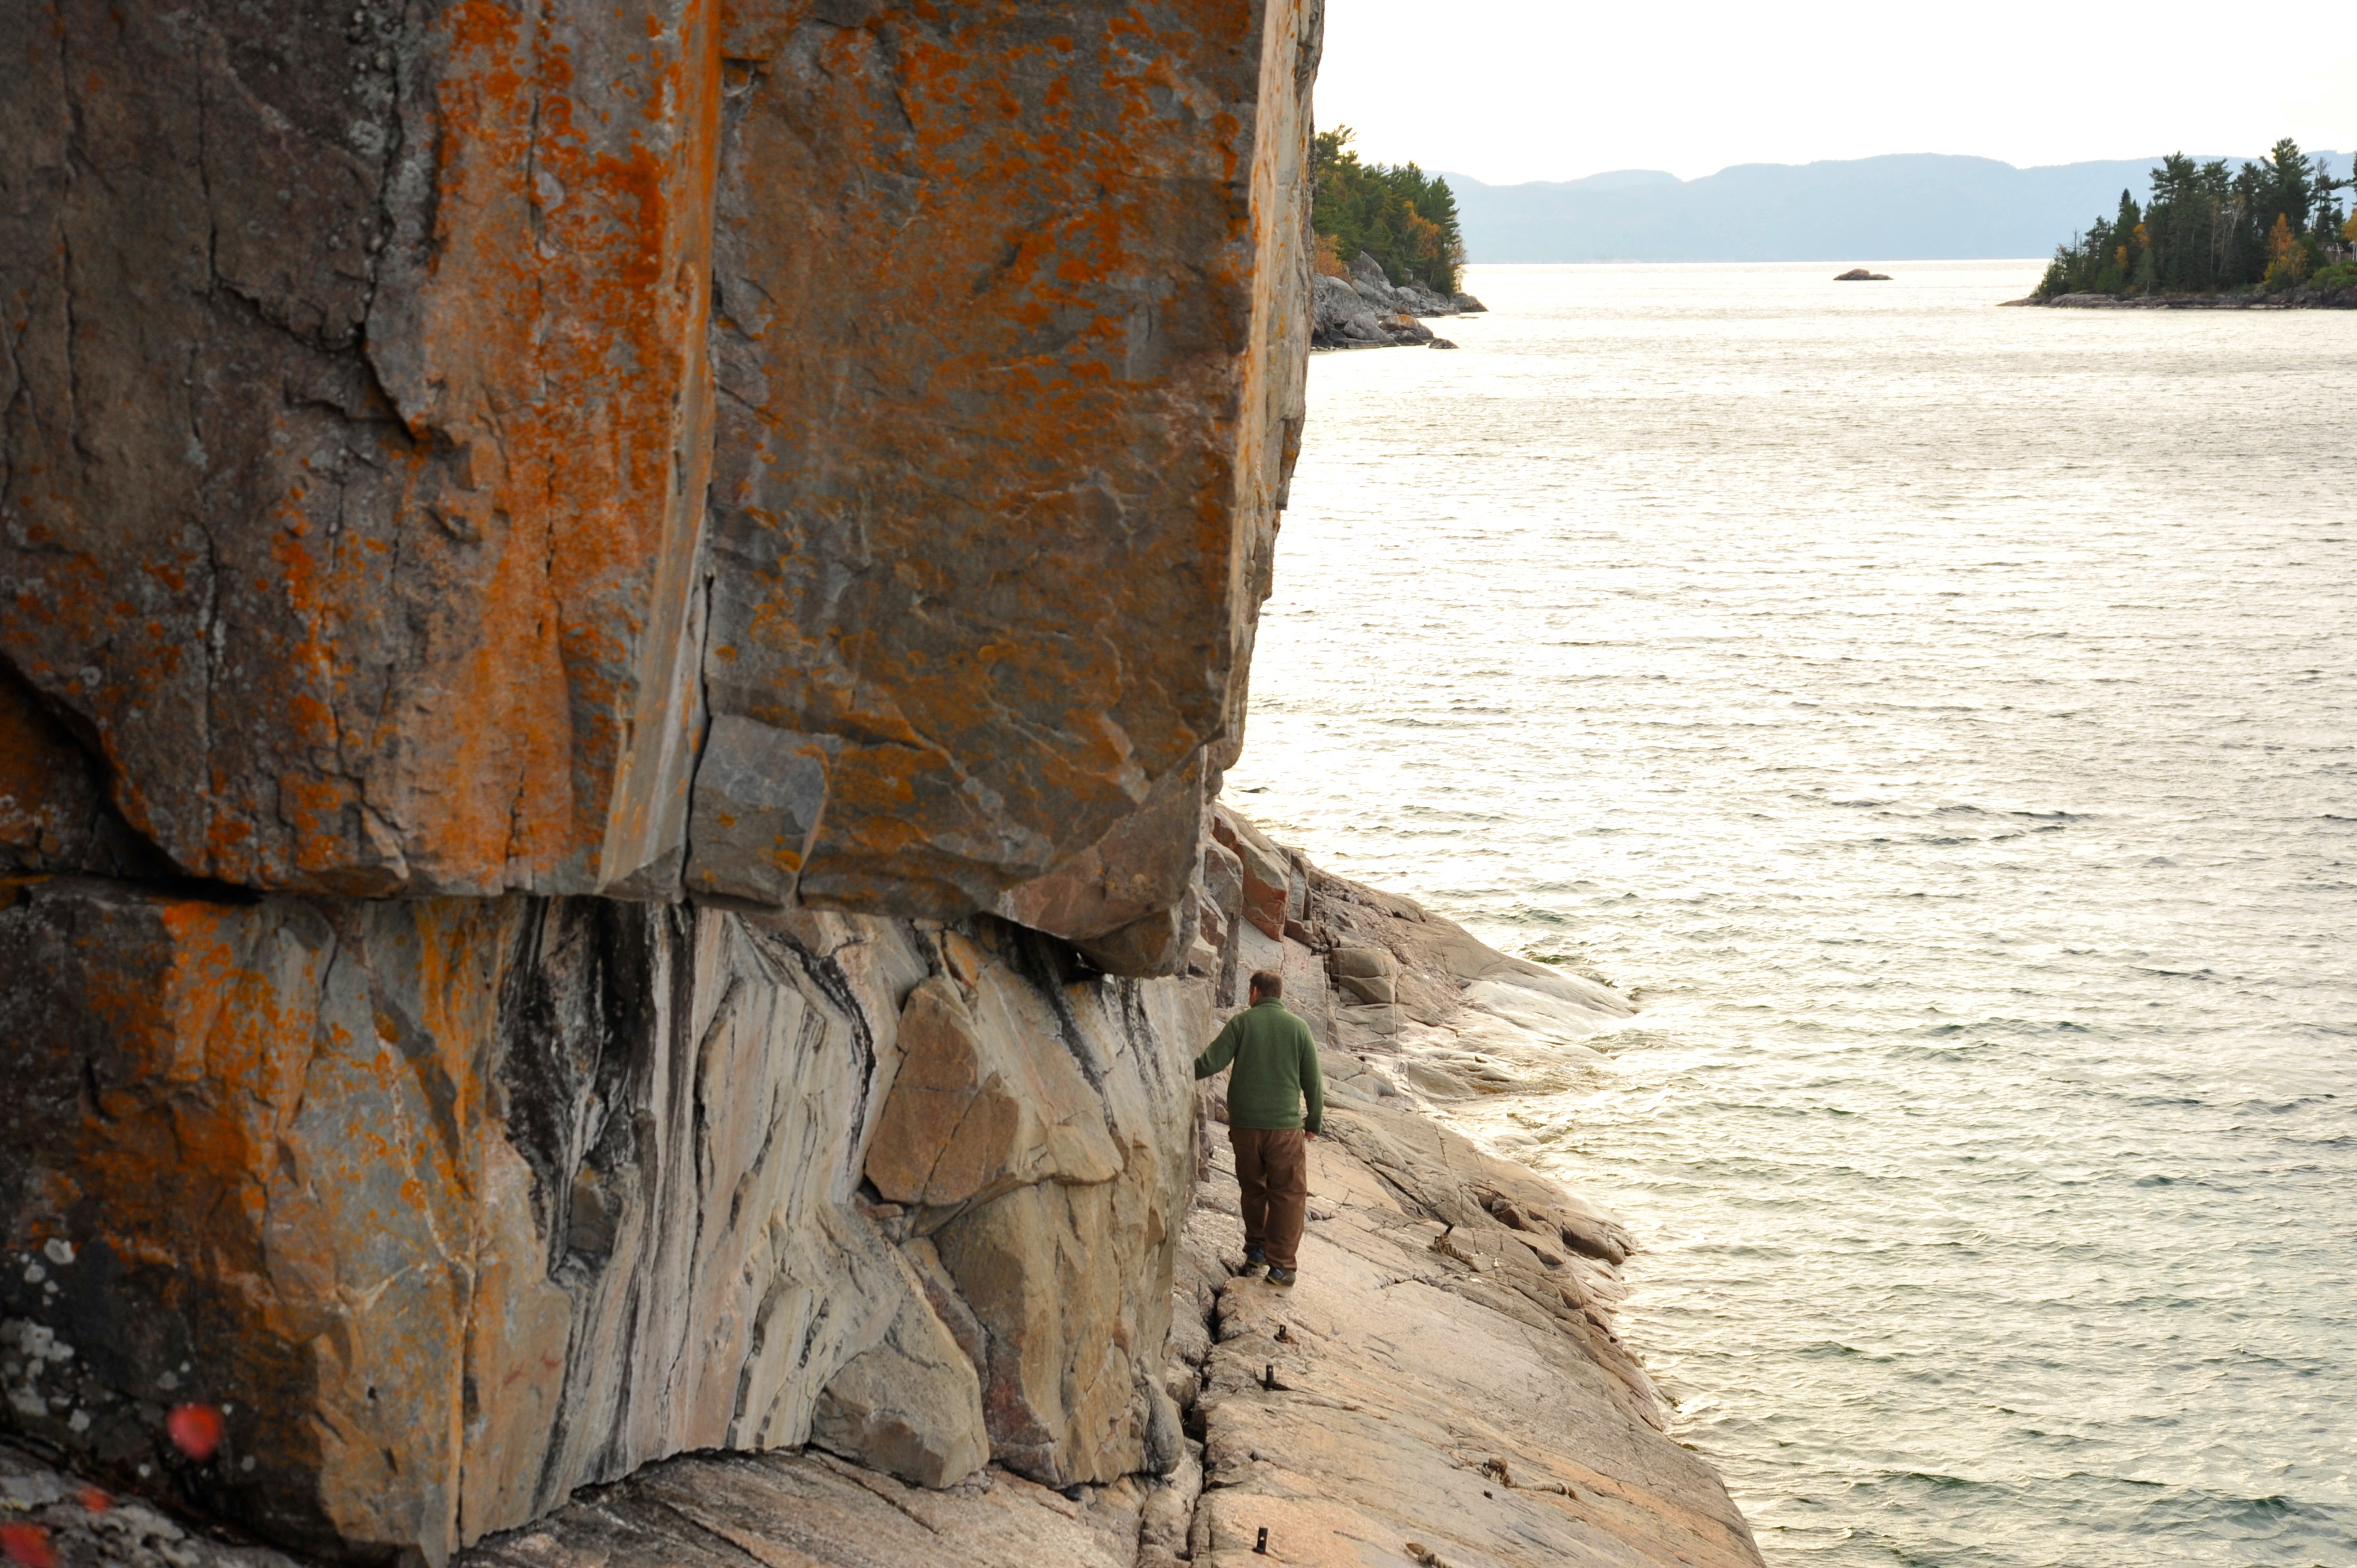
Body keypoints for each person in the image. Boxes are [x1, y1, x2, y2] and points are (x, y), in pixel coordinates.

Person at [1193, 968, 1323, 1286]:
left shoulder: (1241, 1023)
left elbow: (1210, 1063)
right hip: (1284, 1130)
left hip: (1245, 1127)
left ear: (1254, 992)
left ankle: (1256, 1251)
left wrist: (1176, 1068)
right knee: (1288, 1195)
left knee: (1253, 1189)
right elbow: (1314, 1083)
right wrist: (1313, 1122)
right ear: (1278, 995)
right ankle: (1281, 1267)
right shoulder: (1299, 1029)